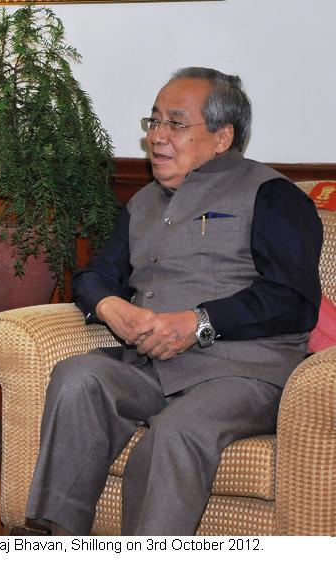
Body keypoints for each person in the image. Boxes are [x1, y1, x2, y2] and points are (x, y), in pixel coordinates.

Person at [25, 67, 322, 535]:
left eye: (176, 124)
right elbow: (95, 275)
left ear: (222, 137)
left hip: (244, 371)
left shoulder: (273, 196)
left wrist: (199, 322)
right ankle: (53, 536)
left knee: (176, 432)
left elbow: (292, 298)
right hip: (150, 363)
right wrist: (110, 307)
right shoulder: (143, 201)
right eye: (154, 121)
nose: (157, 137)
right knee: (79, 375)